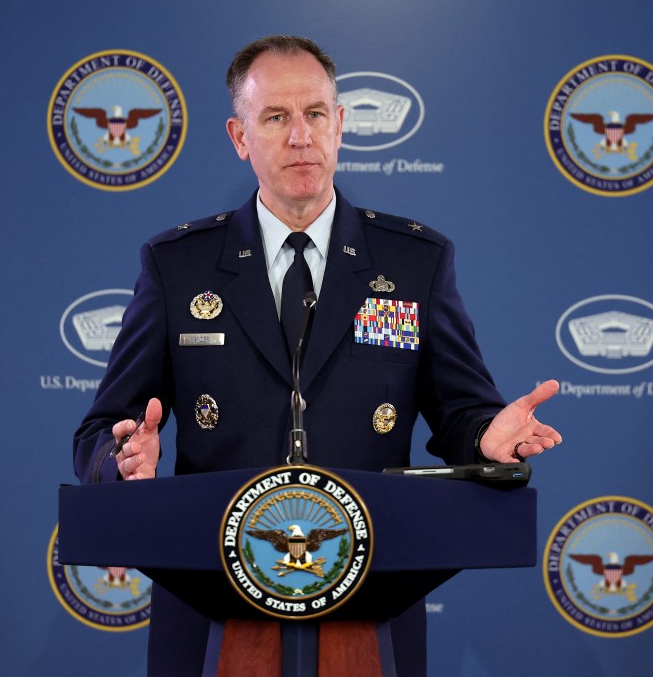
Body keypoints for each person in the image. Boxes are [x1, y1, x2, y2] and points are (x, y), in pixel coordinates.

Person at [73, 35, 562, 675]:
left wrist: (485, 438)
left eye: (315, 114)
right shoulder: (177, 265)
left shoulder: (413, 261)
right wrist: (123, 460)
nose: (300, 135)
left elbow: (460, 411)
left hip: (370, 595)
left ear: (341, 126)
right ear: (239, 136)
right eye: (275, 118)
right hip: (211, 603)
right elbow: (101, 431)